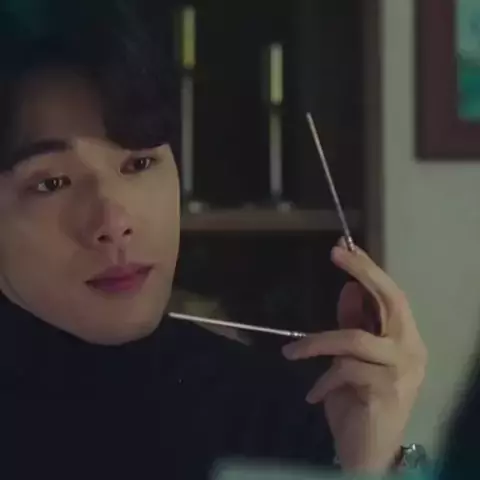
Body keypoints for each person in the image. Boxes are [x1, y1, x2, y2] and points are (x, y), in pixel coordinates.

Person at [0, 2, 427, 479]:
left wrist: (370, 463)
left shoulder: (277, 412)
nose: (114, 221)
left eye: (139, 163)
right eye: (52, 183)